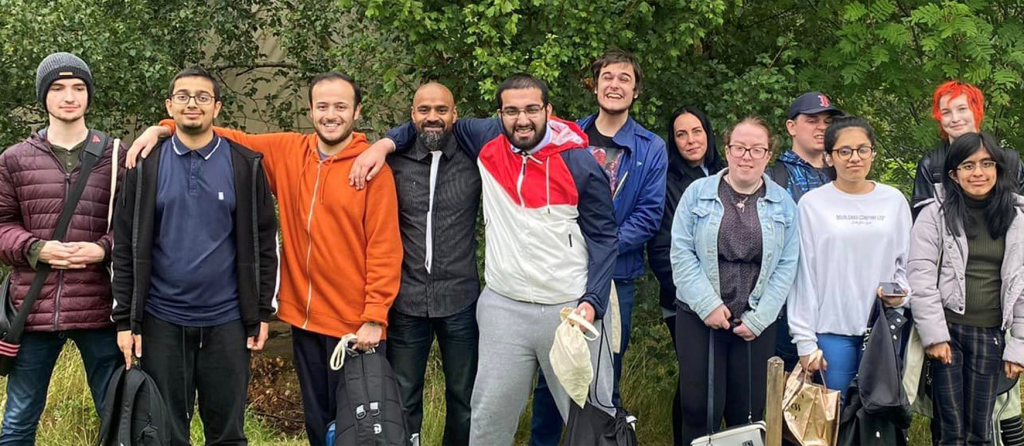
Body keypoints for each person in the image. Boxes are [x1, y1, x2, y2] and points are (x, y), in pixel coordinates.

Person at [126, 71, 403, 446]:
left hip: (355, 325)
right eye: (322, 106)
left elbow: (385, 248)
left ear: (357, 111)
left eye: (340, 106)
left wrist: (374, 316)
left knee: (363, 429)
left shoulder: (372, 170)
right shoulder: (289, 151)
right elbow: (220, 136)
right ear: (310, 110)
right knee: (319, 424)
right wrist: (160, 129)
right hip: (305, 319)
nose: (330, 115)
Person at [349, 74, 618, 446]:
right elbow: (429, 122)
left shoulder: (579, 162)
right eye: (511, 110)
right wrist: (381, 145)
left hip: (569, 309)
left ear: (549, 112)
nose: (521, 119)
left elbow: (605, 237)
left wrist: (593, 302)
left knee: (591, 416)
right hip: (504, 309)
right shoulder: (484, 139)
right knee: (488, 420)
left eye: (531, 110)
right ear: (499, 115)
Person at [112, 67, 278, 446]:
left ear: (217, 107)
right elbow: (125, 247)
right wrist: (125, 320)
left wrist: (262, 313)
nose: (192, 104)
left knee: (228, 434)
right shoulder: (145, 166)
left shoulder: (244, 165)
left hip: (228, 321)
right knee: (166, 432)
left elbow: (265, 244)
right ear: (169, 106)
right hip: (162, 320)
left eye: (202, 97)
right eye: (183, 96)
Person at [529, 49, 667, 446]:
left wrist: (602, 251)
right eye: (608, 76)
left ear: (636, 91)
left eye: (625, 78)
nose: (615, 85)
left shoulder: (650, 147)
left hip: (616, 278)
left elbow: (648, 214)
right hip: (561, 274)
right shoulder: (568, 135)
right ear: (595, 85)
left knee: (605, 377)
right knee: (550, 376)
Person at [0, 52, 123, 446]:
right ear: (44, 97)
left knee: (117, 418)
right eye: (57, 88)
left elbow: (136, 229)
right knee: (18, 421)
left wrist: (103, 250)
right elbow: (1, 225)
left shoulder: (118, 157)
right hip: (32, 311)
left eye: (77, 87)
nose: (69, 96)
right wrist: (36, 249)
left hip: (101, 309)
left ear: (88, 95)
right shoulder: (14, 160)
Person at [670, 117, 799, 445]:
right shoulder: (697, 194)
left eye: (757, 149)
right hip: (699, 317)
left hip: (755, 320)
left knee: (749, 413)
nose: (747, 156)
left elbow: (787, 265)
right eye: (739, 147)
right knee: (698, 408)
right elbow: (681, 254)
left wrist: (761, 317)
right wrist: (707, 305)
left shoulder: (783, 202)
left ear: (768, 155)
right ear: (726, 151)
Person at [909, 132, 1024, 446]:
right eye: (968, 165)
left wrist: (1018, 349)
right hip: (949, 334)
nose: (978, 173)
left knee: (980, 430)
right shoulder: (935, 215)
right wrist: (935, 335)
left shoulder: (1017, 218)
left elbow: (1022, 288)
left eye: (987, 164)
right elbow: (920, 276)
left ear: (999, 169)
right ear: (953, 175)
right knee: (949, 429)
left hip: (991, 335)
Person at [787, 116, 912, 399]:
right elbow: (803, 276)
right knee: (835, 418)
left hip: (883, 328)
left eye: (862, 149)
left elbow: (909, 264)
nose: (854, 158)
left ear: (873, 154)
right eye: (844, 151)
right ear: (830, 157)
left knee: (880, 417)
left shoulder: (894, 201)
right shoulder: (812, 205)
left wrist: (903, 297)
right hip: (831, 330)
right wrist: (805, 341)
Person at [385, 82, 480, 446]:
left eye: (441, 110)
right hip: (407, 298)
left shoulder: (477, 159)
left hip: (460, 299)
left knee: (463, 397)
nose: (433, 117)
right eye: (424, 110)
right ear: (413, 116)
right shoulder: (393, 161)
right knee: (404, 397)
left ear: (454, 115)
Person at [647, 105, 725, 446]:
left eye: (696, 131)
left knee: (726, 381)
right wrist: (698, 298)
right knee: (696, 381)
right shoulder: (666, 183)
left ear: (708, 134)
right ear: (673, 141)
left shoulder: (729, 174)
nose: (691, 140)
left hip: (735, 300)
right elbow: (662, 252)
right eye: (681, 134)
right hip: (683, 304)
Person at [769, 92, 843, 372]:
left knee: (839, 396)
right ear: (791, 127)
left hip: (838, 306)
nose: (821, 127)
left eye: (827, 120)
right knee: (788, 400)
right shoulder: (773, 176)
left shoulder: (847, 172)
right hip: (787, 308)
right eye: (812, 120)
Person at [911, 81, 1024, 220]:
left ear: (976, 110)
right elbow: (922, 222)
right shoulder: (930, 165)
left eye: (962, 109)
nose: (955, 119)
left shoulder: (1009, 161)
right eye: (946, 113)